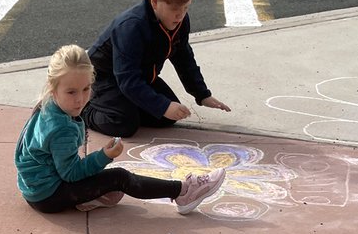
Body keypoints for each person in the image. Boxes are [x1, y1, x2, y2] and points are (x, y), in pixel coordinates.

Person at [16, 43, 225, 214]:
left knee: (107, 182)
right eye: (71, 92)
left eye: (86, 89)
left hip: (33, 189)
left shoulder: (45, 106)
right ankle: (183, 192)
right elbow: (71, 174)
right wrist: (104, 155)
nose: (80, 99)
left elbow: (21, 150)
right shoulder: (61, 128)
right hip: (48, 196)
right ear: (53, 89)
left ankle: (93, 197)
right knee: (120, 178)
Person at [82, 0, 231, 137]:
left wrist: (202, 94)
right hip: (103, 80)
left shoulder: (179, 21)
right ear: (154, 1)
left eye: (186, 7)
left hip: (141, 77)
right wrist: (161, 105)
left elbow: (184, 58)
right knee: (124, 123)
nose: (180, 14)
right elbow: (127, 80)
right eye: (175, 8)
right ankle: (83, 109)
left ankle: (125, 106)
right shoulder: (131, 26)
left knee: (168, 116)